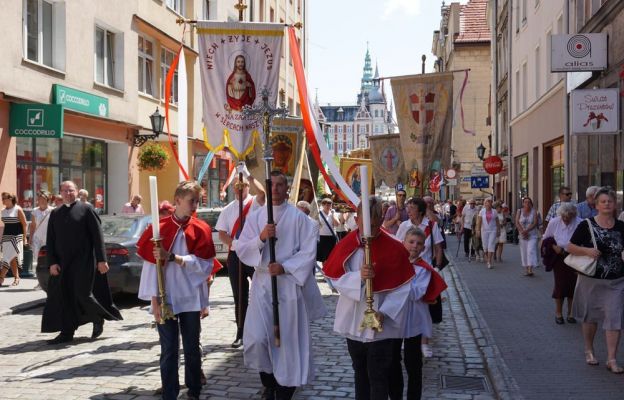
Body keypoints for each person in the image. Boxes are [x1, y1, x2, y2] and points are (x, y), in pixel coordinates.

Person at [237, 170, 326, 400]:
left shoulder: (300, 220)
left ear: (287, 188)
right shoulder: (256, 217)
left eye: (280, 185)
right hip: (262, 283)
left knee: (286, 339)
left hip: (288, 286)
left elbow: (308, 253)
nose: (275, 189)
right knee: (257, 338)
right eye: (272, 185)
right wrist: (262, 238)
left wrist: (285, 267)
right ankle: (268, 381)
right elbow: (242, 248)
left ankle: (285, 387)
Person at [323, 196, 415, 400]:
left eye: (375, 224)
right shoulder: (347, 244)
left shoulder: (394, 246)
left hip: (383, 324)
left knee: (378, 374)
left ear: (382, 219)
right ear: (357, 220)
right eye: (366, 224)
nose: (371, 230)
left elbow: (403, 286)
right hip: (354, 320)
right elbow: (334, 279)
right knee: (360, 372)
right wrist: (359, 278)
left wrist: (385, 312)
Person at [137, 180, 216, 400]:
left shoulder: (201, 228)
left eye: (197, 201)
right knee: (169, 349)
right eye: (192, 201)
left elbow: (205, 266)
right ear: (178, 200)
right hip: (166, 298)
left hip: (190, 298)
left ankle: (194, 390)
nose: (195, 206)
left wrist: (174, 257)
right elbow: (151, 268)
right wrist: (154, 302)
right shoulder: (159, 228)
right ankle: (169, 394)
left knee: (191, 348)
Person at [41, 181, 122, 344]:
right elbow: (51, 240)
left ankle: (98, 317)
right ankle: (66, 332)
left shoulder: (86, 209)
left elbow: (97, 236)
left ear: (76, 192)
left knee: (83, 294)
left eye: (70, 190)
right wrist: (52, 262)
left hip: (84, 261)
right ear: (60, 193)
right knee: (65, 297)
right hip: (63, 263)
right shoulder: (55, 213)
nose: (67, 193)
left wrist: (101, 259)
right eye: (64, 190)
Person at [567, 187, 624, 373]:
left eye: (610, 201)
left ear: (615, 204)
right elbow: (569, 246)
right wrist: (587, 251)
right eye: (603, 201)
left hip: (616, 281)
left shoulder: (621, 226)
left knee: (614, 318)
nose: (607, 204)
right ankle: (589, 350)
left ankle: (611, 359)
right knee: (590, 317)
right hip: (591, 280)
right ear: (597, 205)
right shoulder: (587, 225)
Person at [392, 227, 447, 400]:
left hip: (414, 320)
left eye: (419, 244)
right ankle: (395, 396)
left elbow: (417, 293)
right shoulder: (394, 263)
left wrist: (399, 280)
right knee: (393, 363)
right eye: (411, 242)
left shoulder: (423, 269)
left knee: (413, 363)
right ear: (403, 242)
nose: (414, 246)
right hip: (394, 319)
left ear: (423, 248)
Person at [215, 162, 266, 348]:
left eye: (242, 185)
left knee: (261, 291)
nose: (239, 189)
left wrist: (249, 175)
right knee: (239, 295)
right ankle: (241, 332)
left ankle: (262, 329)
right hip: (236, 255)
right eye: (237, 186)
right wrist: (233, 243)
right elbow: (221, 232)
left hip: (255, 253)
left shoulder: (255, 202)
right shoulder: (228, 209)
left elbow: (262, 193)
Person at [395, 197, 444, 358]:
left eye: (412, 208)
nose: (408, 211)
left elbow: (437, 247)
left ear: (420, 211)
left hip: (425, 269)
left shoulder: (431, 225)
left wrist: (437, 267)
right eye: (407, 208)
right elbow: (398, 246)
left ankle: (424, 342)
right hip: (407, 267)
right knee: (404, 305)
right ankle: (404, 336)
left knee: (424, 308)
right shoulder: (404, 225)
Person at [542, 203, 581, 325]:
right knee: (560, 285)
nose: (566, 219)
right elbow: (545, 238)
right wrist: (554, 246)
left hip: (575, 258)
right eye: (564, 216)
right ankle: (558, 313)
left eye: (569, 216)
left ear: (574, 215)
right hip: (559, 259)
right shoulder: (554, 222)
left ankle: (571, 314)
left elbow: (585, 241)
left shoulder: (580, 223)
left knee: (574, 286)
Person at [0, 192, 28, 286]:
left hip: (17, 236)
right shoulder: (3, 211)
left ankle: (1, 278)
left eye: (4, 198)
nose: (2, 200)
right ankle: (17, 278)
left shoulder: (18, 209)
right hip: (7, 236)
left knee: (7, 257)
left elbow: (24, 224)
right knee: (11, 258)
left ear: (10, 199)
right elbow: (5, 226)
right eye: (2, 198)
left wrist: (25, 238)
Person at [515, 197, 540, 276]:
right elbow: (517, 222)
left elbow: (535, 223)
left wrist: (527, 230)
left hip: (532, 234)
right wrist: (522, 231)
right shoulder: (519, 211)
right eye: (525, 202)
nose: (527, 204)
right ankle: (526, 269)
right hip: (522, 235)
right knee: (524, 252)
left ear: (531, 204)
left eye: (529, 202)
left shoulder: (534, 211)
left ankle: (530, 269)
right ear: (523, 203)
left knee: (530, 250)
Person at [30, 190, 54, 264]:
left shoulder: (52, 210)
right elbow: (33, 225)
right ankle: (38, 269)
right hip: (37, 236)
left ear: (47, 200)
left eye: (43, 199)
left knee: (49, 253)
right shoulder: (35, 211)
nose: (42, 201)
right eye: (40, 199)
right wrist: (30, 237)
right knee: (36, 254)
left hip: (48, 236)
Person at [476, 198, 500, 269]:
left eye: (490, 202)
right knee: (485, 247)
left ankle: (489, 261)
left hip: (493, 230)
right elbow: (479, 222)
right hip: (484, 231)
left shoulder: (494, 211)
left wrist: (498, 230)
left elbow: (497, 221)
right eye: (487, 202)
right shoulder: (482, 211)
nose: (488, 203)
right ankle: (487, 258)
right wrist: (478, 230)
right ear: (485, 203)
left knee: (491, 245)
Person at [317, 197, 340, 263]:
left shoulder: (333, 213)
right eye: (325, 204)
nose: (327, 206)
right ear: (322, 205)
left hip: (331, 237)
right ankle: (324, 270)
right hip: (322, 237)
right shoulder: (319, 214)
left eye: (329, 204)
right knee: (323, 257)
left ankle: (328, 270)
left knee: (331, 256)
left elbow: (337, 224)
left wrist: (333, 214)